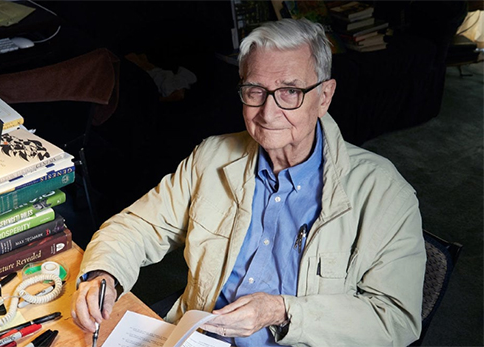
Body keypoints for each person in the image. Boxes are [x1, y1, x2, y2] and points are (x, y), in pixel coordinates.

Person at [71, 18, 426, 346]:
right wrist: (104, 273)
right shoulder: (212, 156)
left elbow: (395, 319)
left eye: (290, 91)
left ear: (325, 96)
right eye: (255, 90)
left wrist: (283, 312)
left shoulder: (384, 193)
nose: (268, 113)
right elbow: (138, 226)